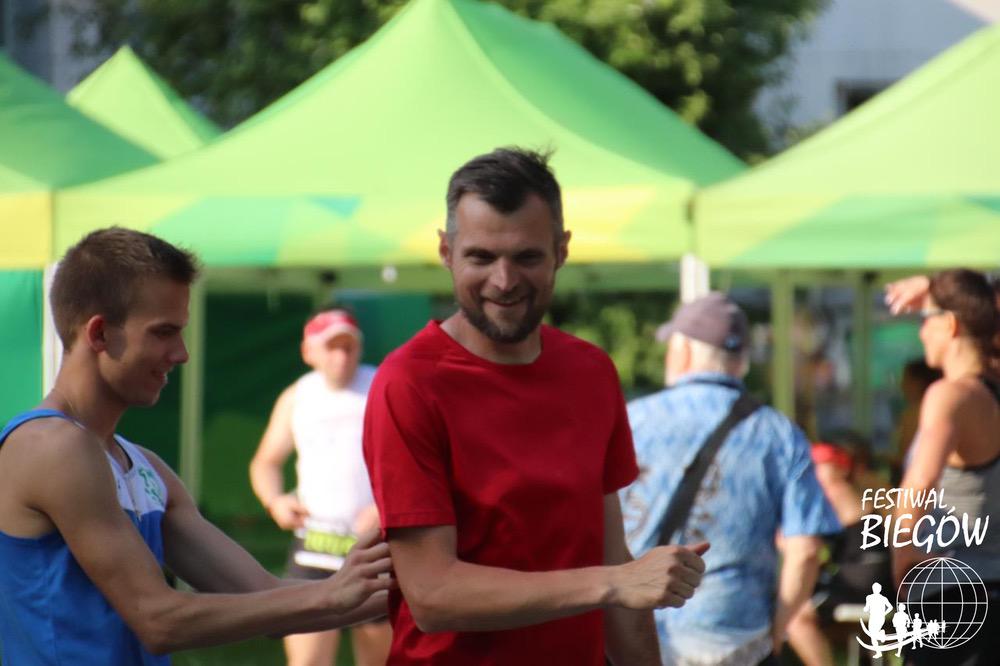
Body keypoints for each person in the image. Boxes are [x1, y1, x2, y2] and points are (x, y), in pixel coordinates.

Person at [362, 147, 708, 666]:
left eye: (526, 257)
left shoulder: (591, 372)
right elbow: (433, 594)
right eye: (481, 257)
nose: (503, 281)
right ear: (446, 251)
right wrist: (613, 582)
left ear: (561, 250)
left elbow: (611, 554)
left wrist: (620, 585)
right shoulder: (409, 382)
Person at [0, 228, 394, 665]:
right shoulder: (51, 446)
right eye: (164, 332)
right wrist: (333, 594)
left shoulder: (145, 466)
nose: (182, 353)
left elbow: (263, 596)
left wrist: (417, 586)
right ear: (99, 333)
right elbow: (158, 620)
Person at [621, 292, 841, 666]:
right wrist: (779, 627)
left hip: (637, 633)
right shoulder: (779, 433)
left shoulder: (631, 420)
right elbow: (805, 549)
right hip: (734, 638)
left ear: (683, 351)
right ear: (740, 362)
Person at [250, 309, 391, 666]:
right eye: (332, 347)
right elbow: (265, 462)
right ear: (308, 351)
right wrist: (275, 501)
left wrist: (385, 507)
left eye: (349, 347)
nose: (341, 356)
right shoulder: (297, 396)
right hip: (314, 546)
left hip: (373, 548)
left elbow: (414, 462)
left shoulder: (382, 387)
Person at [886, 269, 1000, 666]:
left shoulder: (950, 396)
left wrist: (903, 553)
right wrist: (940, 289)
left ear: (950, 324)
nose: (921, 333)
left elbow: (920, 483)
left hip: (954, 602)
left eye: (925, 320)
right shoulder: (991, 392)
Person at [786, 436, 891, 666]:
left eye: (816, 467)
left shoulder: (830, 494)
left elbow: (807, 548)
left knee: (795, 619)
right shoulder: (858, 490)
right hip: (878, 581)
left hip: (860, 581)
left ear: (837, 470)